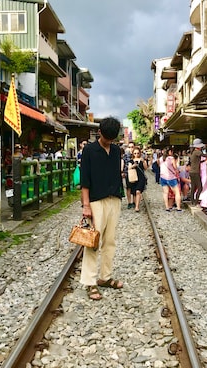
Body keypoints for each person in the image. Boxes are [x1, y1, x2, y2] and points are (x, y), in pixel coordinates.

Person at [80, 116, 123, 300]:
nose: (109, 141)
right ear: (99, 133)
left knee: (110, 241)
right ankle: (90, 282)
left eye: (112, 139)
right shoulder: (89, 150)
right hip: (96, 201)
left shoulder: (116, 151)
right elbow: (85, 181)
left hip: (114, 200)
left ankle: (105, 277)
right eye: (107, 138)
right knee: (93, 242)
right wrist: (86, 205)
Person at [189, 138, 207, 206]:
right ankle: (196, 202)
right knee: (200, 188)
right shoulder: (197, 152)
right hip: (195, 172)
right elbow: (206, 156)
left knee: (193, 187)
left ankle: (192, 201)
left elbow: (197, 161)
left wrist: (203, 161)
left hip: (192, 172)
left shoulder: (193, 152)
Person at [128, 146, 148, 212]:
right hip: (134, 178)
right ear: (133, 154)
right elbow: (129, 168)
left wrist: (144, 161)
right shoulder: (131, 161)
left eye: (138, 153)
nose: (136, 155)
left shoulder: (142, 160)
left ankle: (137, 207)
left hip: (141, 178)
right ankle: (135, 203)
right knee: (134, 192)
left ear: (140, 153)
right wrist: (134, 165)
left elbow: (145, 168)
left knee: (138, 191)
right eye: (135, 153)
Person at [123, 141, 135, 208]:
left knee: (135, 188)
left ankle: (134, 201)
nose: (131, 148)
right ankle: (129, 202)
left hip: (136, 173)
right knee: (128, 188)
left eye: (132, 147)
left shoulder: (136, 154)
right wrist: (124, 172)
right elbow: (124, 164)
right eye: (129, 147)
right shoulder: (126, 155)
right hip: (128, 174)